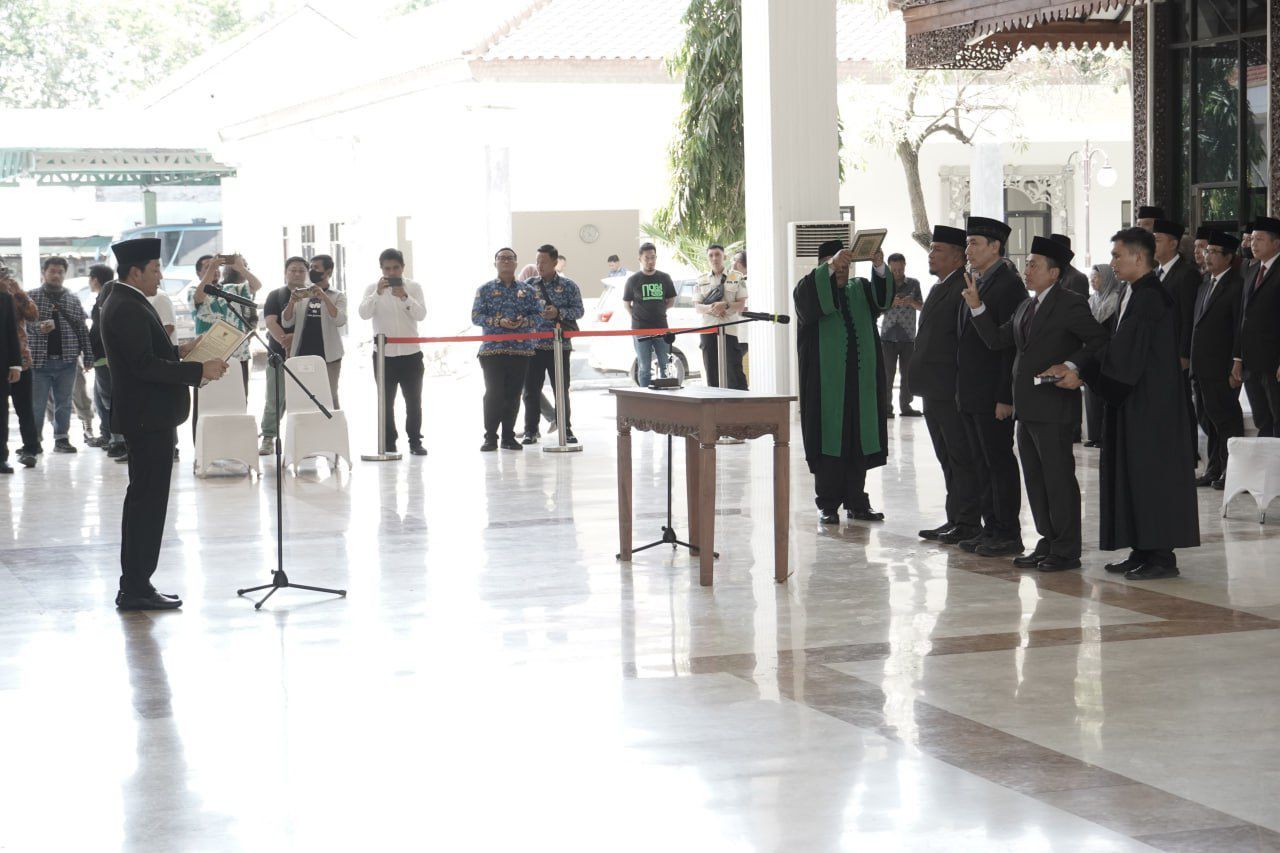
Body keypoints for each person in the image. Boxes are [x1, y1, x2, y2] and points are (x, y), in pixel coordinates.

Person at [964, 235, 1108, 569]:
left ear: (1054, 274)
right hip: (1027, 407)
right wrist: (977, 306)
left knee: (1058, 478)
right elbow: (998, 340)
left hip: (1054, 406)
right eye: (1027, 264)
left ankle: (1066, 548)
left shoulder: (1070, 303)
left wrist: (1072, 366)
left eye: (1034, 265)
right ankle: (1047, 538)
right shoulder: (1026, 305)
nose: (1027, 270)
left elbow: (1099, 340)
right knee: (1036, 478)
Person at [101, 237, 228, 610]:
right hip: (147, 416)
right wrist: (197, 369)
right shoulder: (125, 305)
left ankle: (138, 583)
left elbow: (145, 355)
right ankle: (136, 587)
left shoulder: (128, 301)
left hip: (148, 415)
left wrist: (181, 351)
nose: (160, 275)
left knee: (147, 500)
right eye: (155, 269)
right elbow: (142, 366)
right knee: (146, 502)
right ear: (135, 271)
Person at [1069, 227, 1199, 580]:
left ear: (1138, 257)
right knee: (1134, 473)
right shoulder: (1133, 292)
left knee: (1150, 474)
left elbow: (1126, 352)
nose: (1112, 262)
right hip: (1136, 400)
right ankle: (1142, 548)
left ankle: (1160, 556)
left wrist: (1086, 372)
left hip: (1151, 405)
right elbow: (1118, 345)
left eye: (1116, 255)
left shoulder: (1151, 297)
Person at [794, 240, 893, 524]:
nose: (841, 270)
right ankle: (827, 504)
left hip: (860, 383)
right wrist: (830, 264)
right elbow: (811, 304)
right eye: (835, 264)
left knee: (857, 443)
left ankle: (857, 502)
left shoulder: (859, 288)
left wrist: (878, 266)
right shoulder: (808, 289)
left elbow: (883, 299)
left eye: (844, 265)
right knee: (829, 445)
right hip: (826, 387)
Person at [954, 216, 1025, 554]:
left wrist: (1004, 396)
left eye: (974, 243)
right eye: (968, 243)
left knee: (999, 463)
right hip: (971, 391)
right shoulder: (977, 280)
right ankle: (990, 527)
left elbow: (1009, 345)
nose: (968, 250)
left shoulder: (1008, 284)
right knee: (981, 462)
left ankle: (1008, 532)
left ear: (995, 247)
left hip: (992, 393)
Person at [910, 225, 982, 541]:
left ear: (956, 256)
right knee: (946, 456)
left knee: (959, 456)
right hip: (932, 388)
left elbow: (963, 342)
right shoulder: (940, 286)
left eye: (938, 250)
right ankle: (955, 517)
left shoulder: (961, 287)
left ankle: (967, 522)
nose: (931, 254)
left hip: (949, 388)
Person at [359, 248, 428, 455]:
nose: (391, 273)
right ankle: (389, 441)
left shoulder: (414, 287)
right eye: (387, 268)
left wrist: (405, 297)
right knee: (386, 402)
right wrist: (377, 294)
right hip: (383, 356)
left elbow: (421, 314)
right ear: (381, 269)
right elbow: (363, 314)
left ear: (402, 268)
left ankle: (415, 441)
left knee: (414, 400)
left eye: (395, 268)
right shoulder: (372, 288)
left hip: (411, 354)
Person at [472, 248, 542, 451]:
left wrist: (523, 322)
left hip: (521, 349)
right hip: (492, 350)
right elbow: (476, 317)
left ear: (516, 263)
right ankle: (490, 437)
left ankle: (508, 436)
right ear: (495, 263)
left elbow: (538, 316)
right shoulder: (484, 289)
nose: (505, 262)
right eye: (501, 259)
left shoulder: (528, 290)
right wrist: (498, 321)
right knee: (494, 393)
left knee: (513, 394)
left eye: (509, 259)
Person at [1191, 231, 1245, 489]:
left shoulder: (1236, 286)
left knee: (1225, 420)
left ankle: (1230, 471)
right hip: (1200, 366)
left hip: (1221, 367)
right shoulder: (1205, 283)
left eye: (1213, 252)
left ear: (1228, 257)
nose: (1207, 256)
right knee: (1208, 420)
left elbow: (1238, 328)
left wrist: (1236, 363)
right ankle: (1213, 467)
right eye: (1206, 251)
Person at [26, 256, 92, 455]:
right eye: (52, 271)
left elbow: (82, 329)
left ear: (65, 274)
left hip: (68, 361)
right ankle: (34, 441)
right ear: (43, 273)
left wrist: (88, 357)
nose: (56, 275)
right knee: (36, 404)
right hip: (39, 361)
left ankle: (61, 439)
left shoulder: (72, 299)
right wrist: (38, 328)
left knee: (64, 403)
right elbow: (22, 325)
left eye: (60, 272)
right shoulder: (31, 298)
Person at [521, 244, 584, 444]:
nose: (539, 265)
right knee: (531, 390)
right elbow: (521, 310)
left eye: (544, 262)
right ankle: (530, 431)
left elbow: (579, 311)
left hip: (559, 346)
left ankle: (565, 428)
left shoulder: (569, 286)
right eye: (537, 261)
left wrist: (558, 313)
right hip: (534, 346)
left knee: (561, 389)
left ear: (555, 262)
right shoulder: (529, 285)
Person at [1232, 216, 1280, 437]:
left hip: (1273, 362)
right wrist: (1238, 358)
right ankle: (1268, 468)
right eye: (1252, 239)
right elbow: (1243, 315)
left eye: (1259, 239)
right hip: (1251, 362)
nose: (1253, 244)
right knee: (1262, 418)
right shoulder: (1251, 270)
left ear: (1276, 243)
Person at [283, 254, 347, 407]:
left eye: (316, 268)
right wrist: (291, 302)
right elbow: (286, 322)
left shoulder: (337, 295)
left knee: (329, 397)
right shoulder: (302, 293)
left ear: (328, 272)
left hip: (329, 356)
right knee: (304, 397)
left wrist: (324, 296)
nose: (312, 270)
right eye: (310, 267)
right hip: (302, 353)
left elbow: (340, 320)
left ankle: (333, 429)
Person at [259, 257, 307, 455]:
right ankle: (268, 437)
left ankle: (303, 440)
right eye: (292, 270)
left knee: (304, 399)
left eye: (301, 271)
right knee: (274, 399)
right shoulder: (276, 295)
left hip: (305, 357)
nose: (296, 274)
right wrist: (285, 340)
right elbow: (271, 321)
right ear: (285, 272)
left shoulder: (312, 295)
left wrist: (295, 338)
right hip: (278, 355)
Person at [622, 243, 677, 387]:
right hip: (640, 329)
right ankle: (645, 397)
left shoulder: (664, 278)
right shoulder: (633, 280)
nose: (650, 261)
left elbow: (671, 300)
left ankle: (668, 396)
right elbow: (626, 303)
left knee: (666, 365)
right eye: (647, 258)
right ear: (640, 259)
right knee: (644, 367)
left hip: (661, 327)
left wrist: (660, 310)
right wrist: (636, 316)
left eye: (653, 257)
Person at [695, 243, 749, 390]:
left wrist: (725, 305)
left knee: (734, 371)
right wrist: (713, 307)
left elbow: (741, 305)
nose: (714, 258)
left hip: (728, 330)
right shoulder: (701, 279)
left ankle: (741, 407)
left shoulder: (736, 277)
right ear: (707, 258)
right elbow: (698, 307)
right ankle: (715, 408)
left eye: (717, 254)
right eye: (711, 255)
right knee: (711, 372)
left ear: (724, 256)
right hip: (708, 330)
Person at [86, 263, 126, 459]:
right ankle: (111, 437)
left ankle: (118, 441)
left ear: (95, 279)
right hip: (102, 358)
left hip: (105, 358)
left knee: (110, 400)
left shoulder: (108, 295)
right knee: (105, 400)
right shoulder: (113, 294)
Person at [1, 267, 39, 467]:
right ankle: (2, 456)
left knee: (24, 408)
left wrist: (16, 291)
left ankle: (31, 449)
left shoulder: (13, 292)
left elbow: (33, 314)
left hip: (21, 360)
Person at [878, 251, 922, 417]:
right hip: (887, 337)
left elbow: (922, 307)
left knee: (908, 375)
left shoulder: (914, 284)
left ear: (904, 266)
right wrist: (890, 303)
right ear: (889, 268)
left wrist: (911, 301)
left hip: (909, 337)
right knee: (887, 375)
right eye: (894, 270)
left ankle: (906, 407)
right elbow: (877, 309)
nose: (897, 273)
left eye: (900, 269)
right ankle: (886, 408)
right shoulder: (884, 285)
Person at [1083, 263, 1122, 447]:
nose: (1092, 281)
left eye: (1096, 277)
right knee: (1091, 399)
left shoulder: (1114, 299)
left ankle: (1104, 435)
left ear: (1105, 278)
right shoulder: (1092, 300)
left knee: (1103, 397)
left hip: (1106, 354)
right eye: (1091, 277)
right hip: (1091, 353)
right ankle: (1094, 435)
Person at [0, 279, 22, 474]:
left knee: (1, 413)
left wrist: (15, 364)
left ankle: (1, 458)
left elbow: (11, 333)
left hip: (1, 365)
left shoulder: (5, 299)